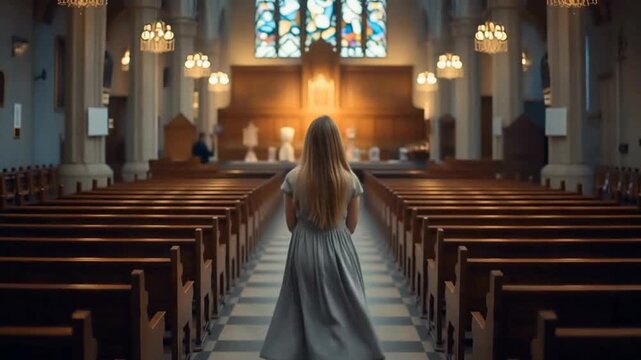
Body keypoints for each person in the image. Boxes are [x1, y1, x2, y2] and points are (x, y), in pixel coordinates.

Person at [260, 116, 384, 360]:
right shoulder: (349, 180)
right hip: (339, 247)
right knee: (343, 308)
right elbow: (351, 225)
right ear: (337, 144)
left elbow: (290, 223)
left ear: (309, 143)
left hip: (304, 246)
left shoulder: (294, 178)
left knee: (302, 307)